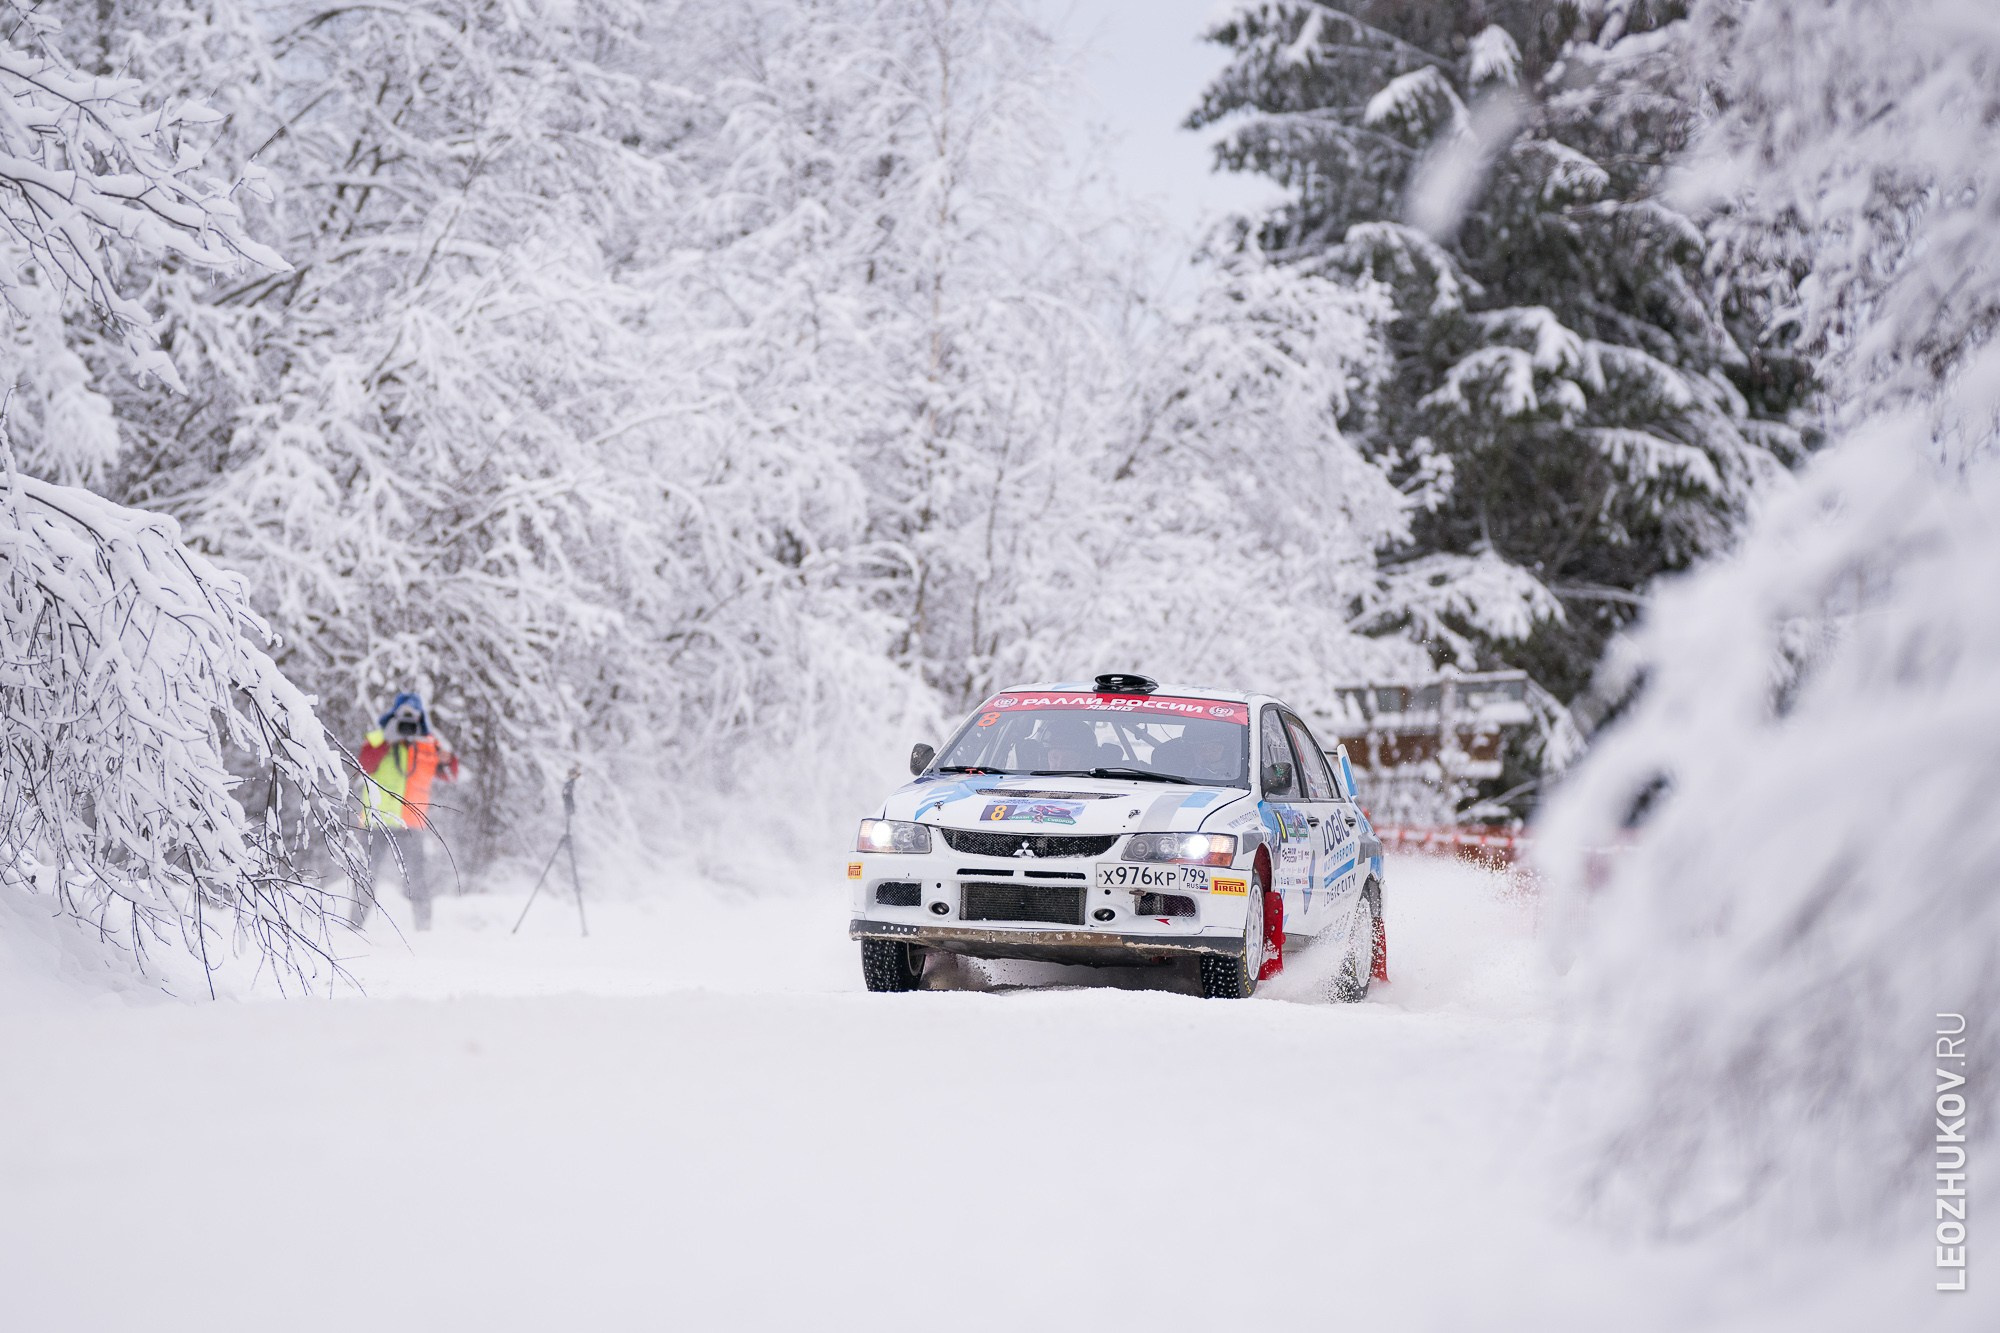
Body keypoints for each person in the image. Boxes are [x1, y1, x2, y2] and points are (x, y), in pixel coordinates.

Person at [351, 692, 460, 931]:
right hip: (376, 821)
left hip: (410, 823)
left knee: (417, 881)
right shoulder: (380, 738)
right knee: (364, 876)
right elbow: (363, 765)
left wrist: (449, 758)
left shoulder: (428, 744)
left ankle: (424, 931)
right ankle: (352, 928)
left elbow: (450, 774)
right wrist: (389, 737)